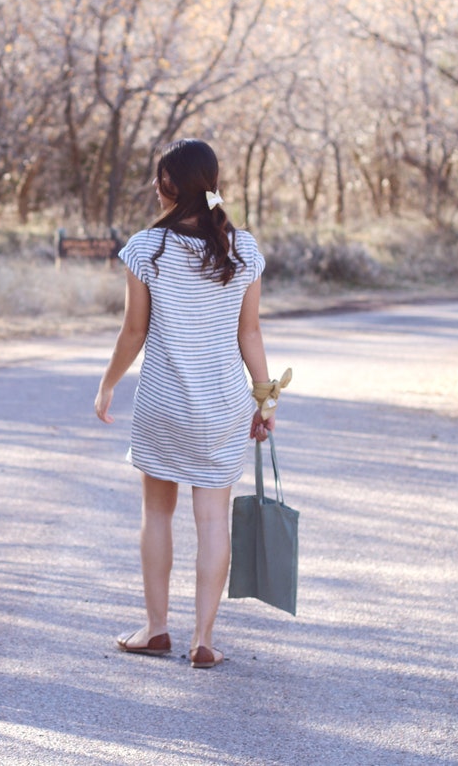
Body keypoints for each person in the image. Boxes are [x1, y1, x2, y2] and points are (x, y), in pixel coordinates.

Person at [95, 139, 290, 669]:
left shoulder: (146, 248)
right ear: (212, 182)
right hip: (223, 406)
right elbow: (250, 333)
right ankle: (203, 640)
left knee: (156, 514)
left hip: (163, 404)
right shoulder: (242, 248)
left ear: (166, 187)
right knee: (212, 522)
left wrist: (109, 383)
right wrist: (264, 398)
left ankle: (156, 630)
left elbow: (134, 331)